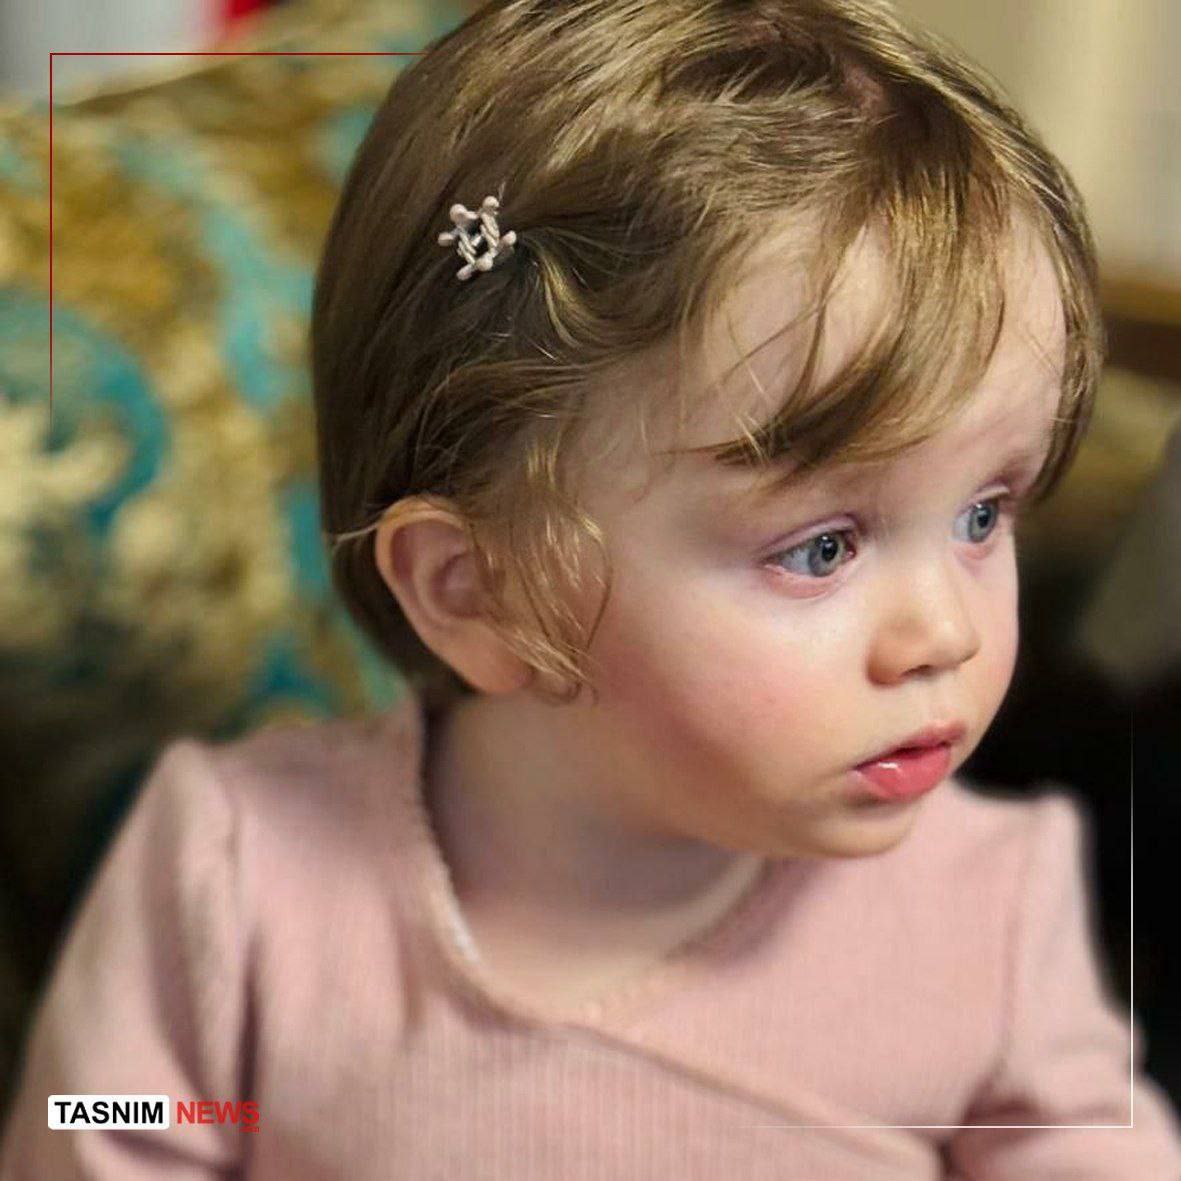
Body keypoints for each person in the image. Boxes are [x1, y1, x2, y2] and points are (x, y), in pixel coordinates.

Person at [4, 0, 1180, 1175]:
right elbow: (100, 1130)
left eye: (981, 513)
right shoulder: (237, 879)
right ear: (480, 589)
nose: (944, 632)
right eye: (821, 548)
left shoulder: (986, 909)